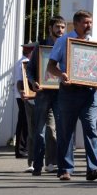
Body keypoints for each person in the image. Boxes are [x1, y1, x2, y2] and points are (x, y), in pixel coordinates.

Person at [46, 10, 97, 182]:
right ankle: (65, 169)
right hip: (69, 92)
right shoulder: (64, 41)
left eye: (90, 22)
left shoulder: (93, 44)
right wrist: (61, 75)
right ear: (77, 23)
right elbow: (50, 66)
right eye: (85, 23)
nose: (89, 26)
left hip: (89, 93)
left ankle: (93, 169)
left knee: (91, 130)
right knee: (66, 131)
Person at [27, 15, 65, 176]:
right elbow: (29, 69)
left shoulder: (68, 46)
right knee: (39, 131)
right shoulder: (41, 46)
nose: (60, 30)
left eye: (63, 27)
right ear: (50, 28)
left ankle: (61, 166)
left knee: (61, 130)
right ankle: (37, 165)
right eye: (57, 27)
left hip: (61, 93)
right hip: (42, 93)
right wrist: (33, 82)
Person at [13, 43, 34, 167]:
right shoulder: (25, 62)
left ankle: (22, 148)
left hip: (21, 94)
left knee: (24, 122)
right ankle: (21, 149)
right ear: (30, 52)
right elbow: (21, 79)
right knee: (24, 122)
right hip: (23, 94)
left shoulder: (21, 61)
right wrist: (23, 91)